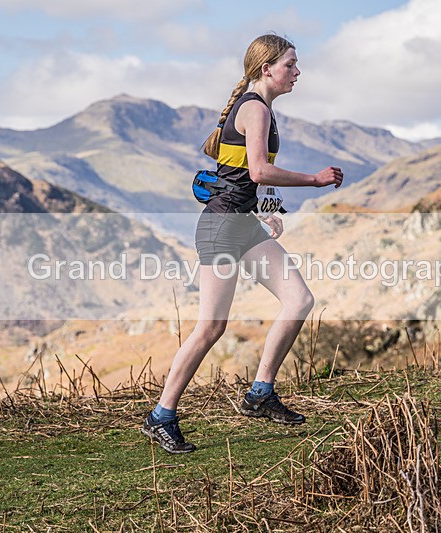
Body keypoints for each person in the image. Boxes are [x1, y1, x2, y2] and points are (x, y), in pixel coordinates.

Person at [142, 33, 343, 453]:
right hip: (221, 228)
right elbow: (258, 171)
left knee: (299, 300)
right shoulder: (255, 108)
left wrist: (268, 208)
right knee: (211, 328)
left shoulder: (259, 107)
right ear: (266, 69)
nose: (297, 71)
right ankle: (160, 416)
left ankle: (260, 394)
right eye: (290, 64)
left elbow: (242, 176)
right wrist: (314, 179)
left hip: (242, 224)